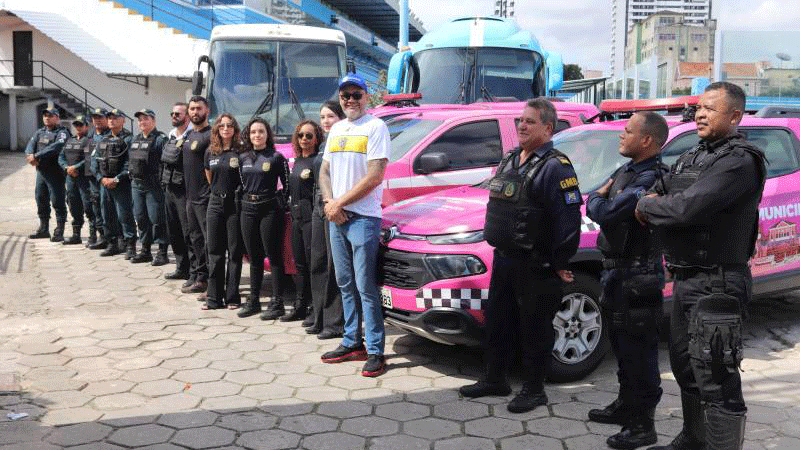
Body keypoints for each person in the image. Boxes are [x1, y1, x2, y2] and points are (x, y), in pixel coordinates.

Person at [636, 82, 766, 450]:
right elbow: (665, 189)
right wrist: (654, 199)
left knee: (716, 378)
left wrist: (647, 207)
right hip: (686, 279)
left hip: (718, 284)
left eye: (711, 108)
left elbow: (686, 207)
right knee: (686, 368)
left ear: (735, 116)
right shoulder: (694, 156)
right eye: (699, 107)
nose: (701, 114)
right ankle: (693, 441)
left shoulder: (739, 161)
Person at [459, 98, 582, 412]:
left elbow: (567, 222)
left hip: (536, 264)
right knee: (498, 321)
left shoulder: (556, 166)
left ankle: (534, 389)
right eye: (520, 120)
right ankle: (495, 379)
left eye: (530, 121)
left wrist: (558, 263)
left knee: (534, 328)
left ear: (548, 128)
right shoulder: (512, 159)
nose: (522, 126)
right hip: (504, 258)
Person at [586, 112, 669, 449]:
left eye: (628, 130)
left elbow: (603, 210)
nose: (621, 135)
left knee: (640, 353)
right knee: (622, 346)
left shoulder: (652, 178)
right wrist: (599, 197)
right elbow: (601, 200)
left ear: (647, 139)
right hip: (618, 273)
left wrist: (596, 199)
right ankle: (625, 406)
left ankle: (643, 425)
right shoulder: (628, 170)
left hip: (640, 275)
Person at [318, 74, 389, 377]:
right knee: (345, 283)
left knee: (365, 287)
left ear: (366, 97)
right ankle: (352, 341)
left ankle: (375, 351)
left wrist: (339, 203)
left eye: (356, 94)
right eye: (345, 95)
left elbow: (375, 176)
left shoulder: (376, 127)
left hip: (362, 218)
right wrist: (329, 203)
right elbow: (324, 171)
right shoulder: (337, 130)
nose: (350, 100)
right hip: (338, 216)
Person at [236, 118, 290, 319]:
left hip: (269, 210)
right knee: (254, 257)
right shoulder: (243, 158)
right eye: (253, 132)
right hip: (247, 210)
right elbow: (239, 184)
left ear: (268, 134)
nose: (256, 135)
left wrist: (280, 204)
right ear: (248, 136)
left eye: (260, 131)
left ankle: (277, 303)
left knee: (274, 256)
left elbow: (287, 185)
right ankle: (254, 300)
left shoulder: (276, 157)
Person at [306, 100, 346, 338]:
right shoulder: (323, 145)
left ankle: (335, 324)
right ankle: (320, 317)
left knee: (334, 268)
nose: (325, 121)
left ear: (340, 118)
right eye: (322, 117)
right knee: (318, 264)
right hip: (317, 207)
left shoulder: (342, 143)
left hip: (334, 207)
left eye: (330, 116)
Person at [284, 120, 325, 322]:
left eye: (309, 136)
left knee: (312, 263)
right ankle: (300, 304)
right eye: (301, 135)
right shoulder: (297, 161)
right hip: (296, 215)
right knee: (298, 263)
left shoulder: (317, 161)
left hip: (311, 216)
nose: (304, 139)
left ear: (317, 138)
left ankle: (314, 308)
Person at [203, 114, 244, 310]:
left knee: (234, 253)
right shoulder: (211, 152)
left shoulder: (241, 152)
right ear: (217, 129)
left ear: (235, 129)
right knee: (215, 252)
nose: (225, 129)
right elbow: (210, 177)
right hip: (215, 204)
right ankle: (213, 298)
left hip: (235, 205)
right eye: (222, 126)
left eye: (229, 126)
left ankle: (233, 297)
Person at [180, 96, 212, 295]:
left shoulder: (211, 136)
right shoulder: (189, 134)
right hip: (190, 197)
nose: (194, 112)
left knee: (209, 242)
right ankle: (199, 276)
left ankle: (212, 280)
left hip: (205, 198)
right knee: (195, 239)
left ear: (207, 111)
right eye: (191, 109)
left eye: (198, 108)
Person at [130, 109, 169, 265]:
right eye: (140, 120)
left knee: (157, 218)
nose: (142, 122)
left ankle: (162, 252)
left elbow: (166, 163)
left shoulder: (160, 139)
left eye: (146, 119)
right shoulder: (135, 139)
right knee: (140, 218)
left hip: (154, 186)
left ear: (153, 121)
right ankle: (145, 250)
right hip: (137, 185)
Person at [96, 109, 137, 258]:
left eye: (115, 118)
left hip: (121, 184)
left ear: (123, 120)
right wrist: (101, 179)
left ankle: (130, 246)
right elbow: (95, 161)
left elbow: (130, 163)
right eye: (109, 118)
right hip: (105, 183)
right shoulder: (103, 139)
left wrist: (117, 179)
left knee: (125, 215)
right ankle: (112, 243)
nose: (111, 120)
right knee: (107, 215)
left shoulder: (129, 139)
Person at [25, 107, 69, 241]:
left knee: (57, 200)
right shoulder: (40, 132)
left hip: (55, 172)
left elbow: (56, 147)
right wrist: (30, 155)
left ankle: (59, 230)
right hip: (41, 172)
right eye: (45, 116)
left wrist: (37, 155)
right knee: (40, 198)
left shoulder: (62, 132)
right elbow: (30, 145)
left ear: (57, 118)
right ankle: (44, 229)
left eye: (50, 116)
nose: (47, 118)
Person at [162, 102, 193, 282]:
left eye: (178, 114)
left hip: (185, 190)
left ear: (187, 116)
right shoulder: (172, 135)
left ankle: (195, 271)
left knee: (188, 232)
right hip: (170, 188)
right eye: (172, 113)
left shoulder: (192, 135)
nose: (174, 116)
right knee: (173, 230)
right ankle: (181, 268)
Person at [58, 115, 96, 245]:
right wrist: (66, 167)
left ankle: (93, 236)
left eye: (81, 125)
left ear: (87, 126)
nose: (78, 128)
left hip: (84, 179)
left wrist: (75, 167)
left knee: (88, 206)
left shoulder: (89, 141)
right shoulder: (70, 140)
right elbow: (61, 156)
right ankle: (76, 235)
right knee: (73, 205)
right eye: (76, 125)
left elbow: (89, 158)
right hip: (70, 178)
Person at [86, 108, 113, 249]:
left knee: (107, 210)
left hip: (104, 179)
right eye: (95, 118)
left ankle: (113, 239)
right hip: (91, 178)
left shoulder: (111, 135)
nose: (97, 120)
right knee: (95, 209)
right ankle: (102, 236)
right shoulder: (90, 136)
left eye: (100, 118)